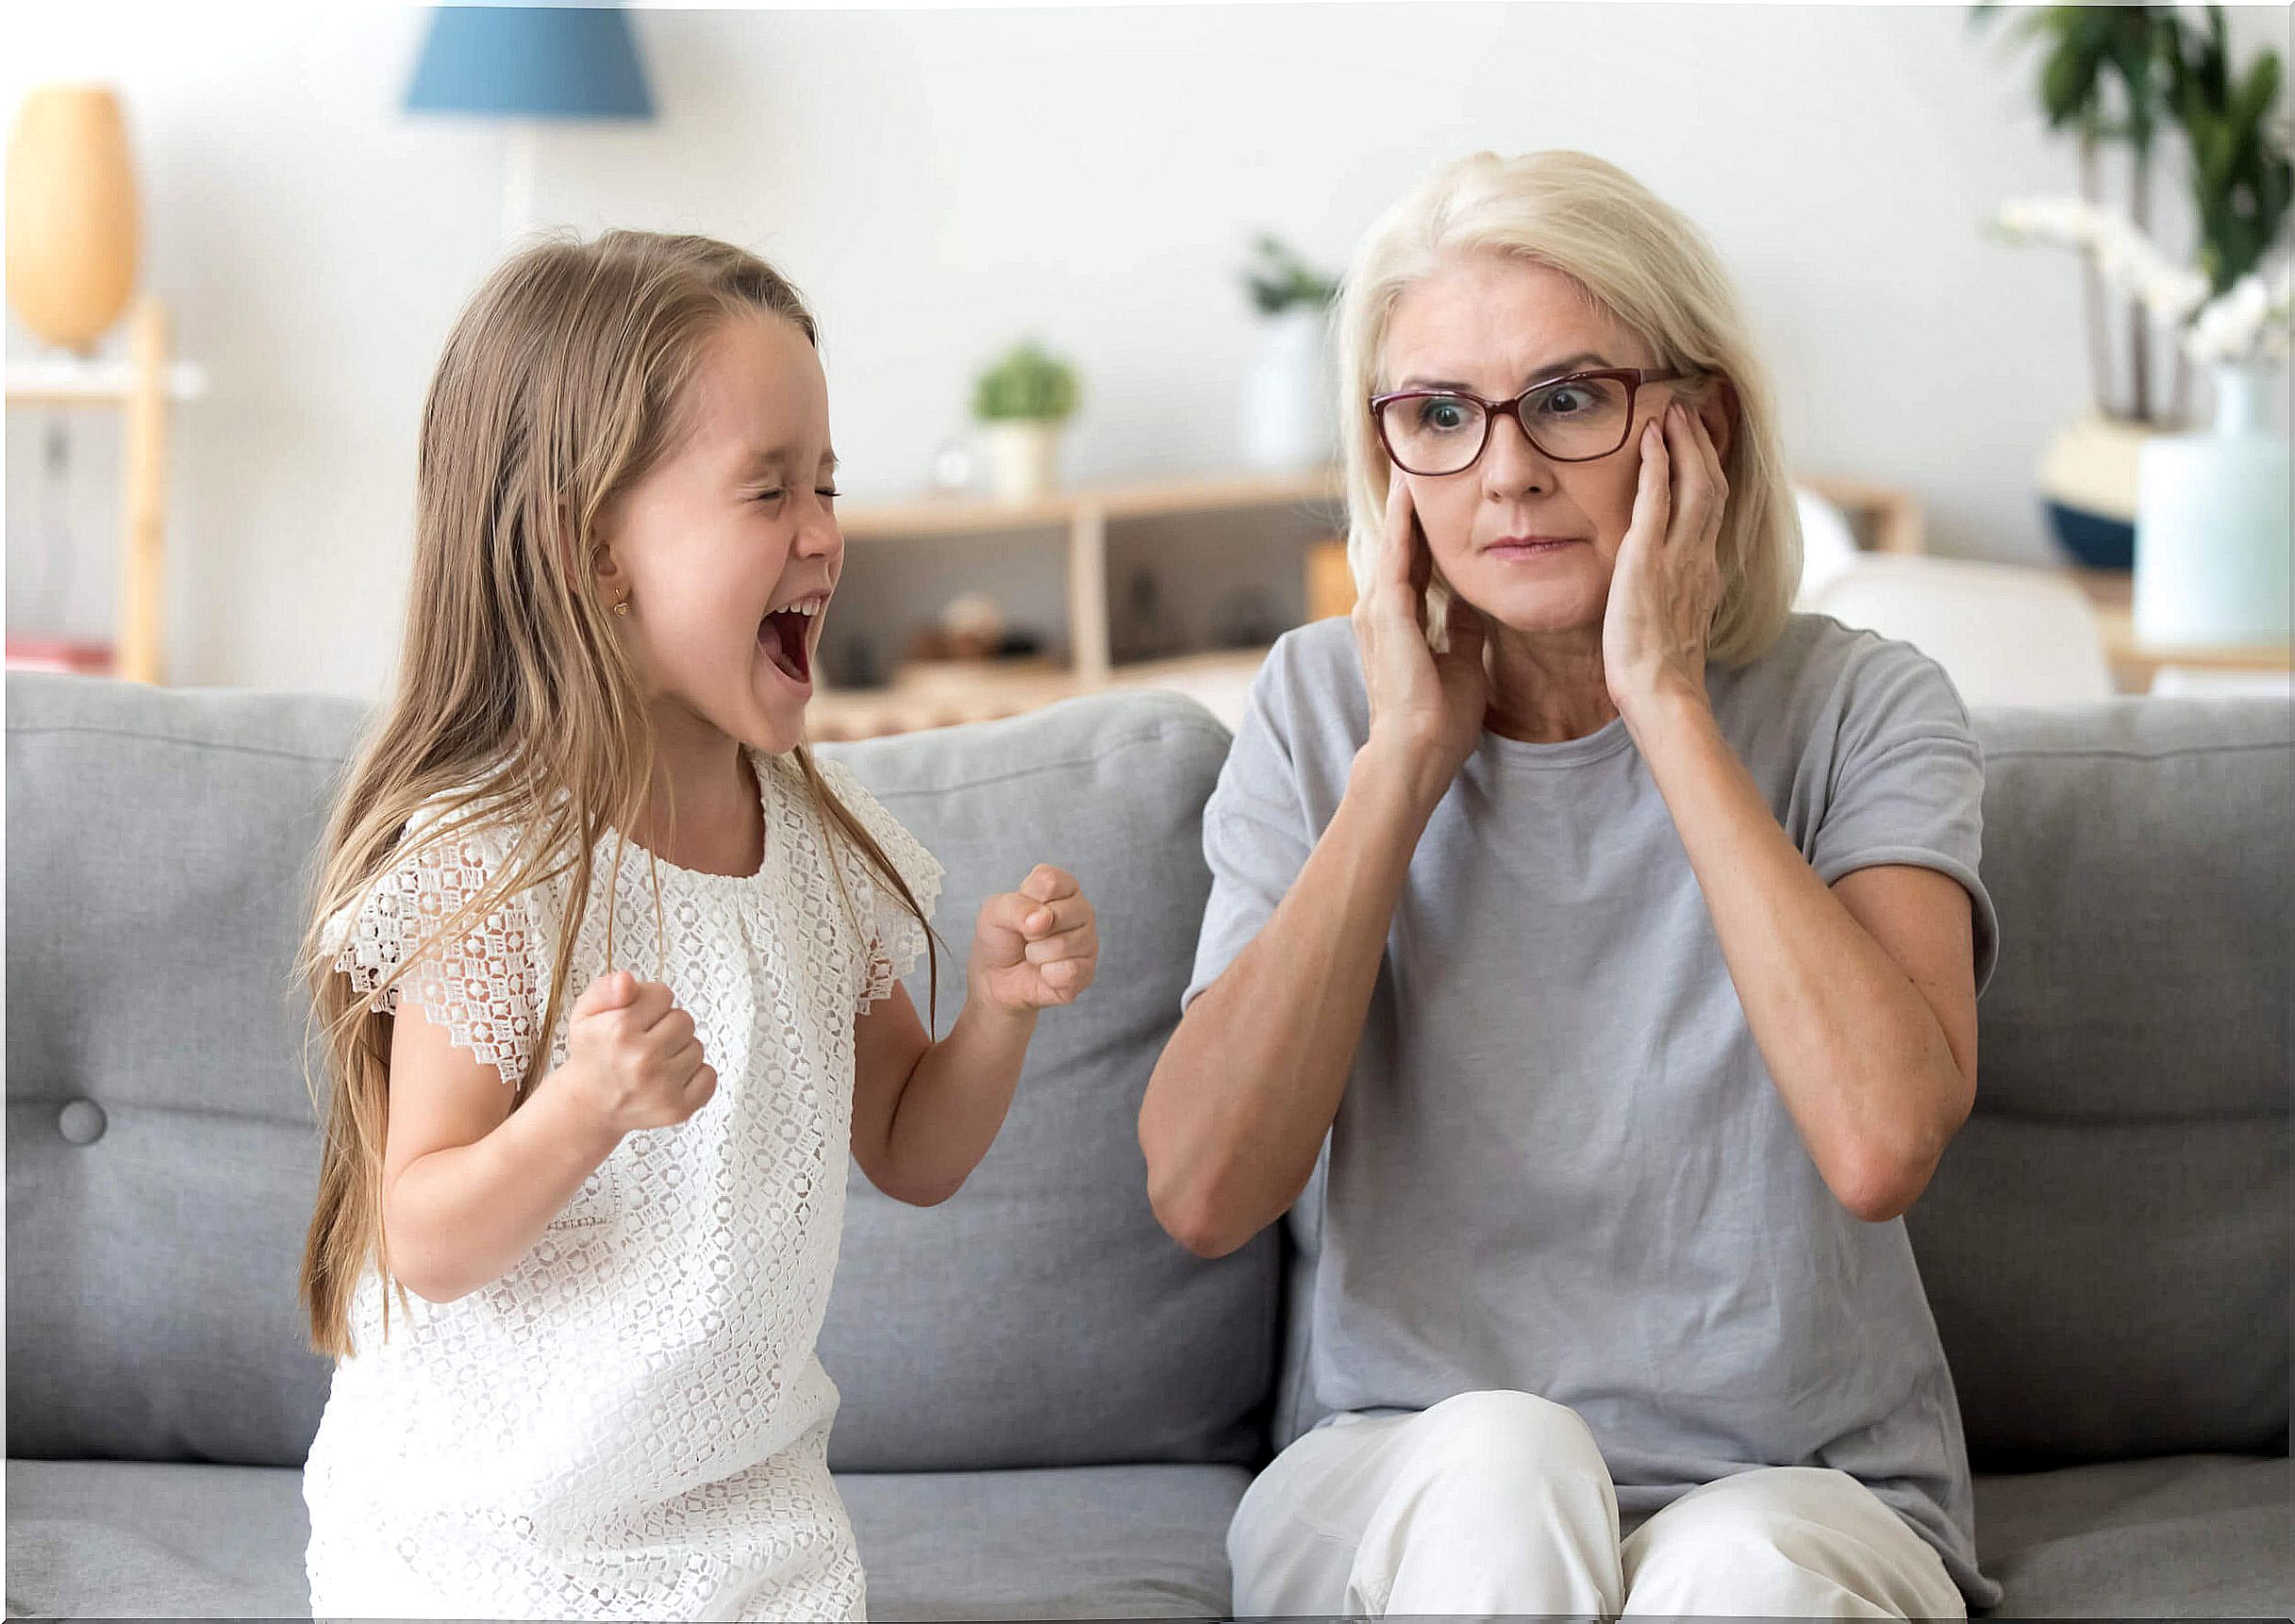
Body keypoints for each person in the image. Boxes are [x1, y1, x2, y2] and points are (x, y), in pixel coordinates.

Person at [1139, 150, 2001, 1617]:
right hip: (1401, 1467)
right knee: (1504, 1459)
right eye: (1438, 416)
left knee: (1744, 1576)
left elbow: (1879, 1144)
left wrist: (1663, 699)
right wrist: (1405, 758)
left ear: (1699, 420)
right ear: (1386, 448)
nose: (1507, 469)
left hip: (1804, 1482)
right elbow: (1206, 1188)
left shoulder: (1868, 707)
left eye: (1566, 397)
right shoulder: (1316, 706)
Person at [295, 229, 1099, 1621]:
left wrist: (997, 1014)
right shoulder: (500, 862)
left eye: (828, 483)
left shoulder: (815, 841)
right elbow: (422, 1232)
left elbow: (910, 1144)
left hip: (746, 1533)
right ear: (594, 547)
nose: (823, 531)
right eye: (769, 490)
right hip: (482, 1536)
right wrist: (581, 1113)